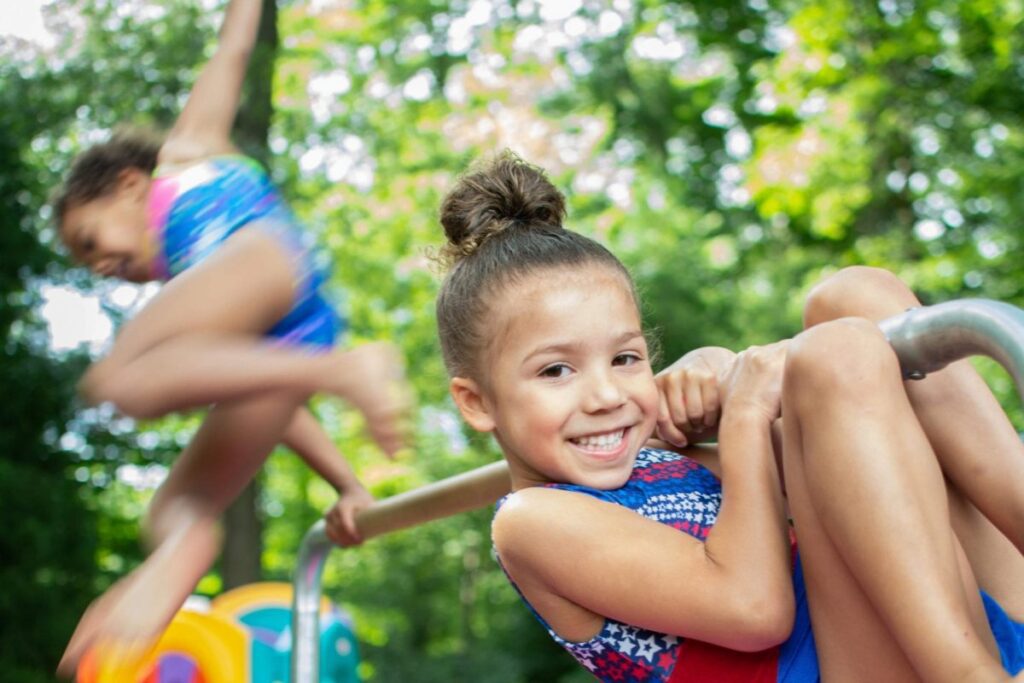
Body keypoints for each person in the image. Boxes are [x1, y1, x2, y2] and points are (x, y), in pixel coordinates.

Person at [434, 150, 1024, 682]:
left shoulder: (659, 460)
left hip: (945, 618)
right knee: (836, 352)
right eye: (556, 371)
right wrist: (742, 415)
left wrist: (716, 374)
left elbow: (843, 465)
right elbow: (755, 611)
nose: (607, 395)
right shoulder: (533, 520)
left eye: (625, 358)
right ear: (476, 402)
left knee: (854, 295)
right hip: (860, 663)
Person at [52, 0, 411, 674]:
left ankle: (343, 370)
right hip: (297, 340)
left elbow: (233, 52)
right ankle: (171, 564)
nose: (98, 265)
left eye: (90, 240)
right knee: (176, 508)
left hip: (262, 256)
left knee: (114, 379)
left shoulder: (186, 153)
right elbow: (278, 396)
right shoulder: (202, 330)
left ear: (127, 185)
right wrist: (349, 485)